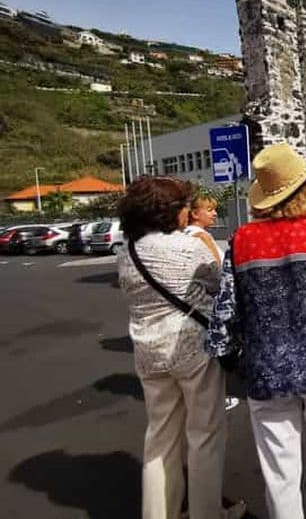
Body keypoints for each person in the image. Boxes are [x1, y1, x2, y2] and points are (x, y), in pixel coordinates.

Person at [206, 143, 306, 519]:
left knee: (279, 474)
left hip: (266, 372)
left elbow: (226, 307)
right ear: (305, 190)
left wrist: (227, 354)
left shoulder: (241, 241)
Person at [116, 176, 245, 519]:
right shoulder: (187, 247)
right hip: (192, 347)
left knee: (160, 437)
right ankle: (207, 513)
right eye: (185, 206)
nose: (188, 212)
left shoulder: (127, 252)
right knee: (204, 434)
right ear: (170, 210)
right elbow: (219, 283)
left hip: (147, 349)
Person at [184, 194, 240, 413]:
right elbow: (216, 271)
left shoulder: (184, 235)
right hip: (208, 301)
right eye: (209, 210)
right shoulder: (201, 236)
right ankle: (216, 398)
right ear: (195, 213)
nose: (215, 213)